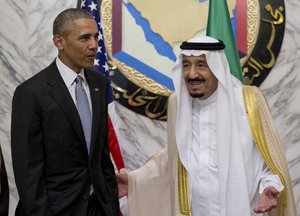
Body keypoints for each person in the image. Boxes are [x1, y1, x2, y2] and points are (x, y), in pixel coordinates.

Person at [117, 36, 296, 216]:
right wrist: (134, 182)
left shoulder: (248, 101)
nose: (192, 74)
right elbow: (175, 158)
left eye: (201, 65)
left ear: (217, 67)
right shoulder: (178, 104)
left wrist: (270, 186)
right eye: (186, 65)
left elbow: (270, 161)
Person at [11, 8, 119, 216]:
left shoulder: (100, 84)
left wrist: (111, 206)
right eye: (84, 38)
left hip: (98, 208)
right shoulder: (31, 93)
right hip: (55, 210)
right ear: (59, 42)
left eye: (96, 37)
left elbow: (102, 157)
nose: (94, 45)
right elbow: (28, 171)